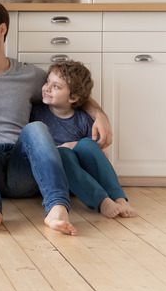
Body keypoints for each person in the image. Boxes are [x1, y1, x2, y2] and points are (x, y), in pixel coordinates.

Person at [0, 0, 113, 235]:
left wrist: (100, 115)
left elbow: (70, 92)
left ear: (1, 30)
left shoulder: (30, 75)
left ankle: (56, 208)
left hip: (21, 168)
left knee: (36, 128)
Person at [30, 61, 137, 218]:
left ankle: (119, 198)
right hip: (58, 179)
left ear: (73, 97)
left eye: (56, 86)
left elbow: (101, 153)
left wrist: (73, 145)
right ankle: (102, 201)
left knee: (87, 143)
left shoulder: (83, 119)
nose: (47, 88)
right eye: (48, 82)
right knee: (63, 154)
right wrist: (62, 149)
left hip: (85, 178)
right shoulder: (37, 113)